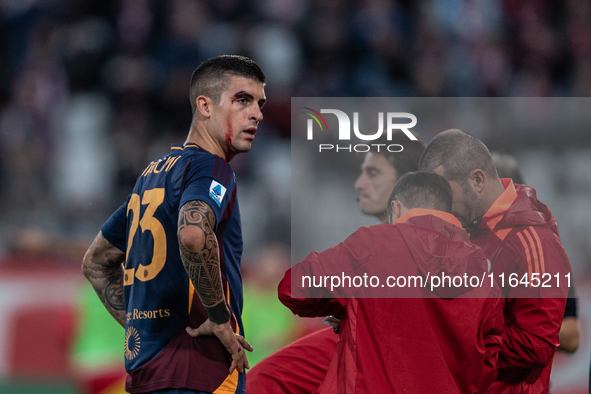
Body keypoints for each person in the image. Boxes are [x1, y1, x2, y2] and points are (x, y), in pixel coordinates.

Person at [82, 55, 267, 394]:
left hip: (147, 373)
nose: (256, 113)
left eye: (259, 103)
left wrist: (147, 328)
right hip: (201, 373)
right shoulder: (211, 168)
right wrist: (219, 319)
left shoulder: (153, 176)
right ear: (205, 106)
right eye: (243, 100)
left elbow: (96, 262)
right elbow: (194, 235)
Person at [279, 171, 504, 393]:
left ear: (396, 209)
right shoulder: (484, 274)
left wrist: (347, 306)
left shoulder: (374, 243)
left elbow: (293, 289)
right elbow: (488, 362)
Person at [246, 131, 425, 393]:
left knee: (264, 381)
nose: (361, 183)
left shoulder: (401, 240)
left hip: (384, 349)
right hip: (376, 344)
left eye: (373, 174)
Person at [419, 129, 572, 393]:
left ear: (477, 180)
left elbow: (536, 342)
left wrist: (454, 342)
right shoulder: (466, 229)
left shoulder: (534, 241)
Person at [491, 151, 580, 355]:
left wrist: (523, 327)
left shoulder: (546, 253)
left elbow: (571, 335)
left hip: (523, 383)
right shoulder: (467, 247)